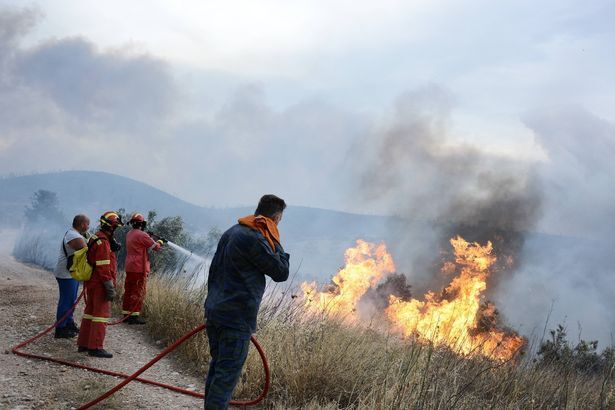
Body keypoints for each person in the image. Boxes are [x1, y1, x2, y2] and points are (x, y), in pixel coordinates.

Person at [204, 194, 290, 409]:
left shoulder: (232, 231)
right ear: (276, 217)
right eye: (279, 220)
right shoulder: (254, 238)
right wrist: (275, 240)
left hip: (215, 313)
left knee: (218, 370)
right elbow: (281, 272)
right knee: (225, 377)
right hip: (236, 318)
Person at [77, 211, 123, 358]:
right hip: (100, 284)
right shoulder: (103, 242)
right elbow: (103, 268)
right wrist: (109, 286)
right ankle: (95, 347)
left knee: (90, 313)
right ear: (111, 227)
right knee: (101, 315)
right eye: (115, 228)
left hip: (92, 282)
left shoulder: (96, 237)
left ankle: (84, 344)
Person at [122, 212, 165, 325]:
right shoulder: (142, 235)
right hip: (139, 268)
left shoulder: (129, 233)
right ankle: (134, 316)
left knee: (129, 290)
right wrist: (160, 241)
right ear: (143, 224)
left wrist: (149, 237)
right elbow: (155, 247)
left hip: (129, 266)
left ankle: (126, 314)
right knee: (138, 291)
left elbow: (141, 242)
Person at [53, 214, 90, 339]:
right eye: (87, 224)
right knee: (66, 301)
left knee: (71, 301)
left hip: (71, 273)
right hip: (65, 274)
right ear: (82, 224)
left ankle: (68, 323)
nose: (88, 227)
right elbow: (87, 249)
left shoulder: (74, 234)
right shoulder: (73, 236)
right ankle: (60, 329)